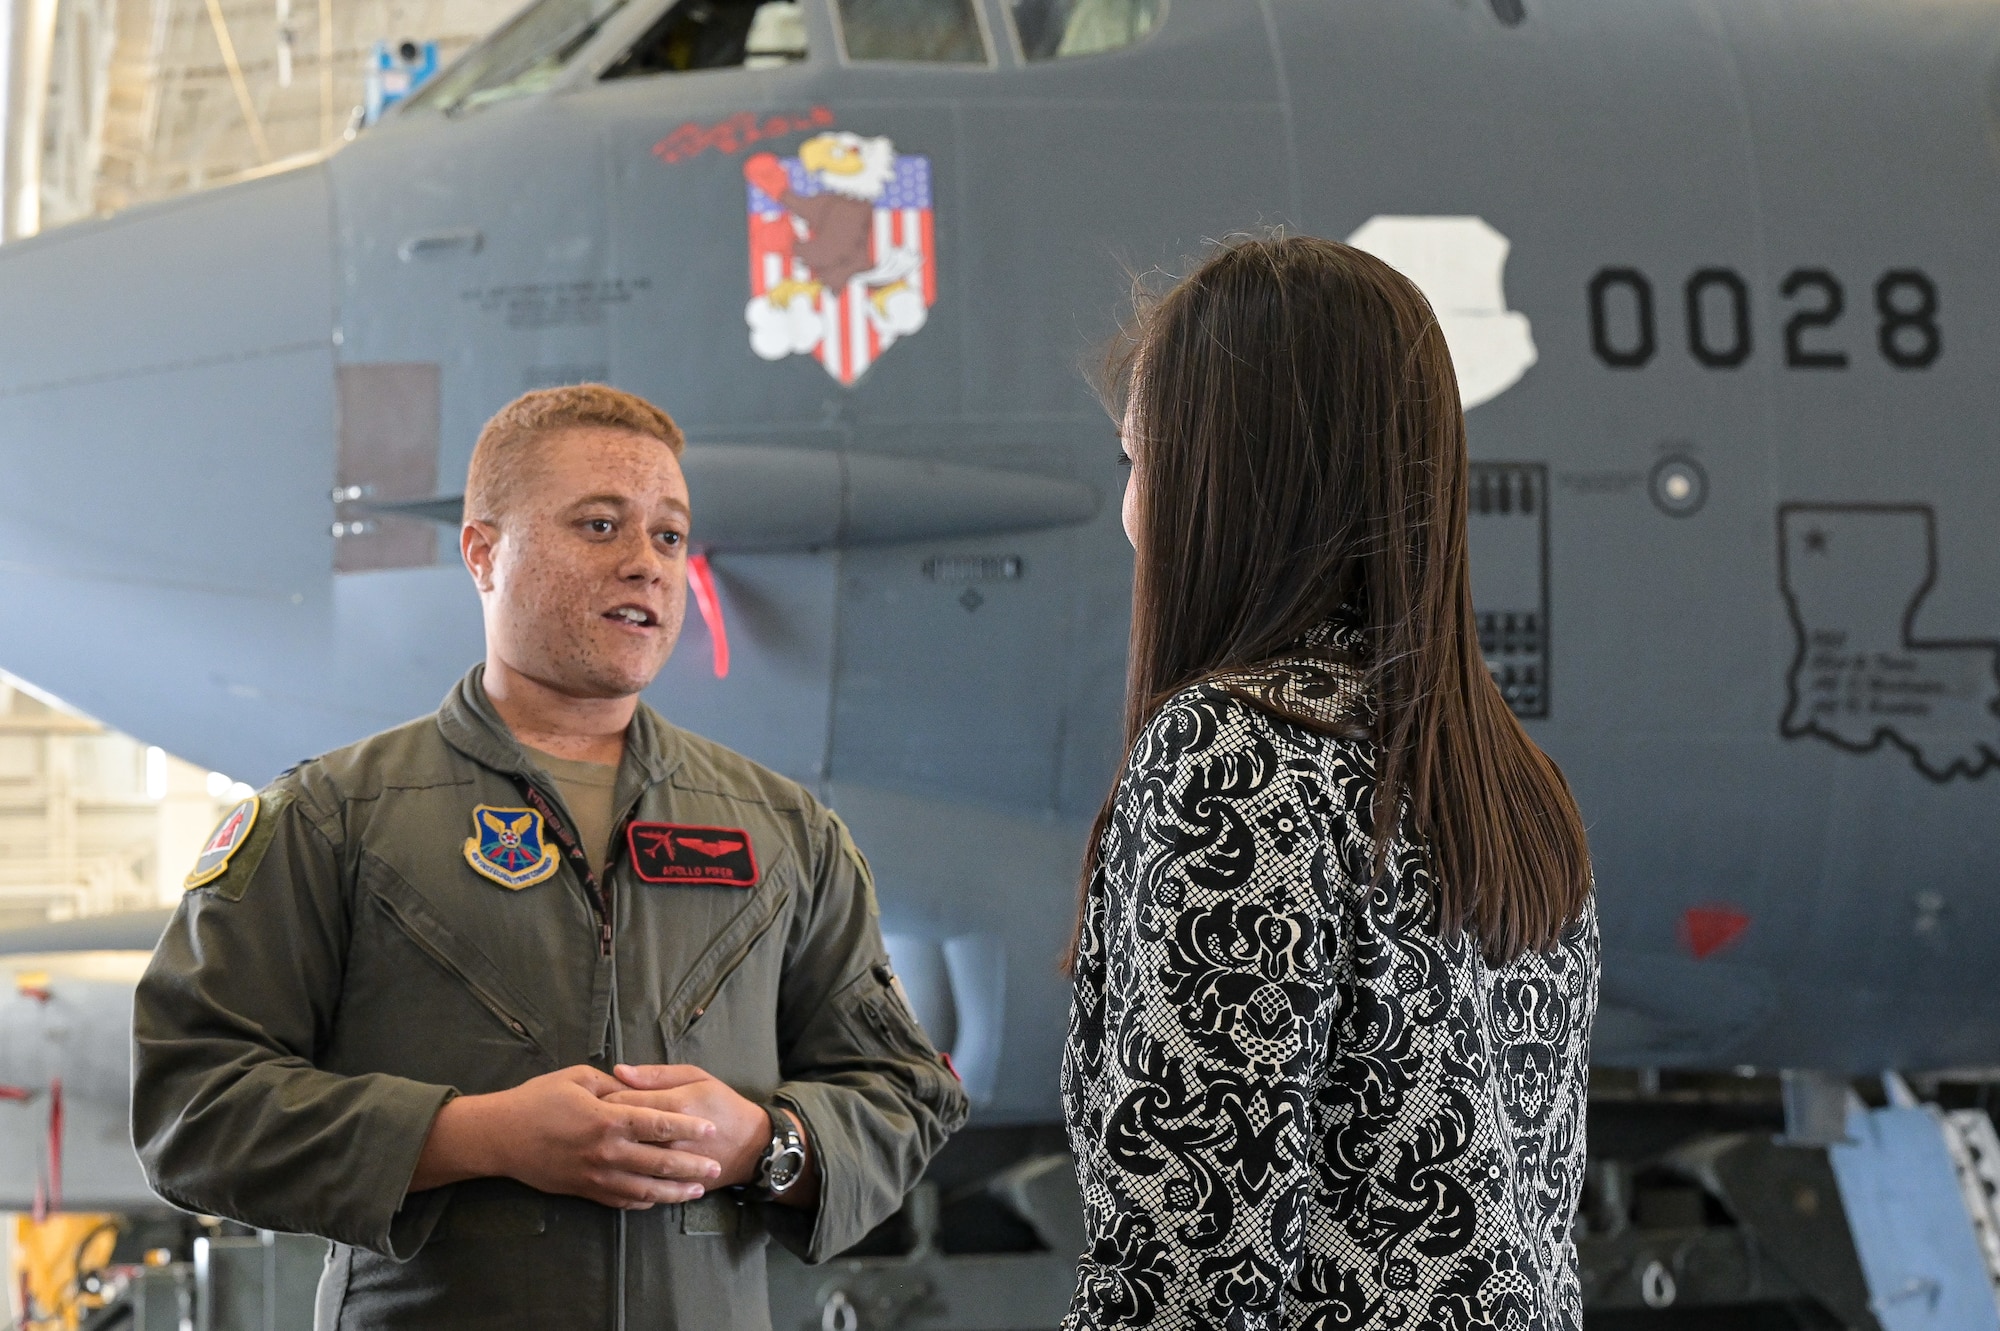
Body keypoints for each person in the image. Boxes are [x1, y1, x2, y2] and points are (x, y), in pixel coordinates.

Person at [132, 385, 968, 1330]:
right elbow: (192, 1103)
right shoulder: (334, 818)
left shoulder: (786, 833)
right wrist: (475, 1136)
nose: (645, 565)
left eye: (668, 535)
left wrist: (762, 1144)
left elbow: (904, 1091)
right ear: (482, 551)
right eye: (599, 524)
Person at [1061, 237, 1598, 1329]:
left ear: (1228, 478)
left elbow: (1187, 1273)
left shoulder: (1234, 757)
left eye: (1139, 462)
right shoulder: (1511, 783)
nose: (1131, 510)